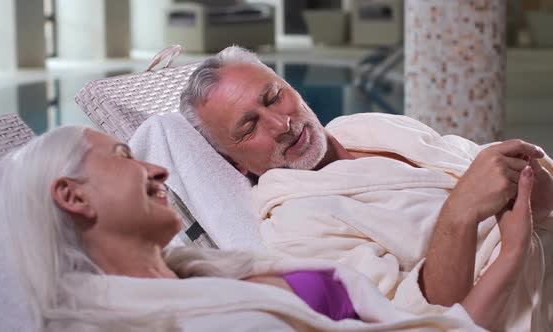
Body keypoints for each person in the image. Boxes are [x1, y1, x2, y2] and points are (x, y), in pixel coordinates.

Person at [0, 126, 536, 331]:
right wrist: (506, 247)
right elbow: (431, 311)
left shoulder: (215, 270)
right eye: (121, 156)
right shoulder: (145, 322)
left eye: (275, 94)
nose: (156, 168)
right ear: (72, 196)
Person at [179, 46, 553, 330]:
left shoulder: (365, 126)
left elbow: (474, 164)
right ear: (235, 163)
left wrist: (522, 175)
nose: (281, 124)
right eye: (249, 127)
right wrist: (461, 213)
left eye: (275, 96)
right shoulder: (295, 224)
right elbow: (411, 316)